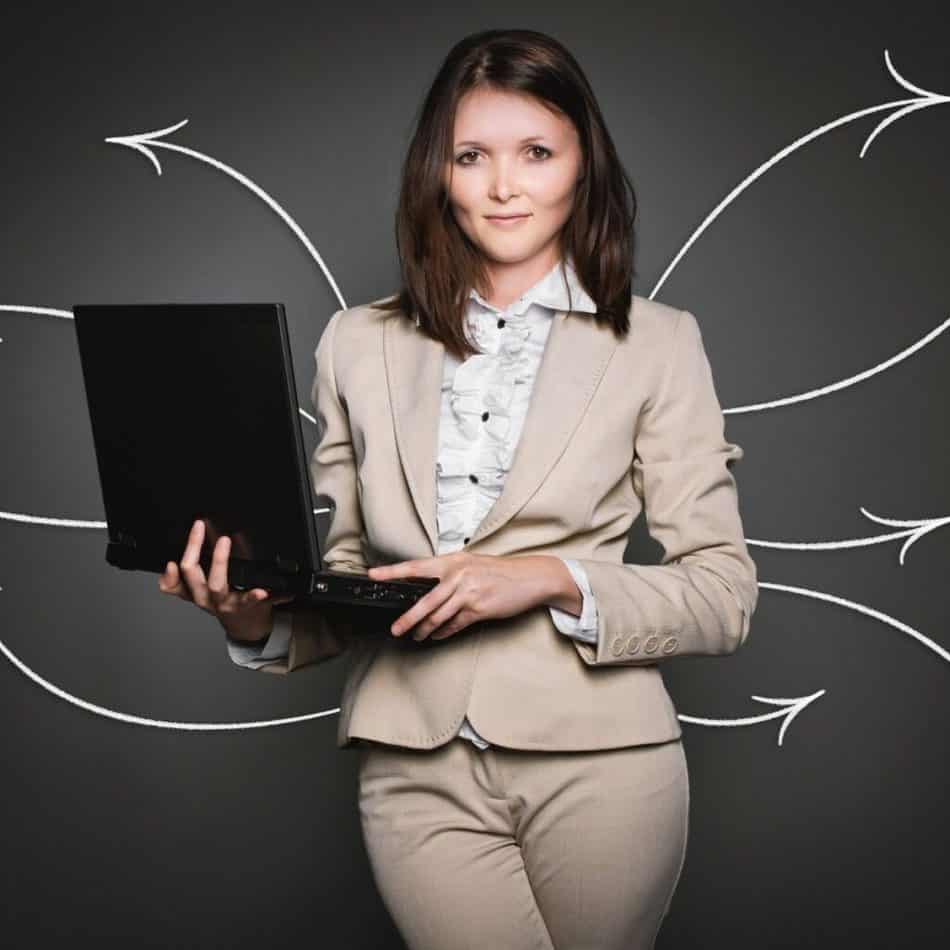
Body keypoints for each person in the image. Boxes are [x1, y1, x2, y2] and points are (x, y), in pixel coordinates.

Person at [158, 28, 758, 950]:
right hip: (411, 758)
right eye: (471, 156)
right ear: (437, 173)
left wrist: (550, 577)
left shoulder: (660, 342)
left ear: (583, 167)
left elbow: (723, 594)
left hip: (604, 762)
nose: (503, 185)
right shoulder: (355, 342)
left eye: (537, 153)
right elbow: (352, 579)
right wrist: (248, 616)